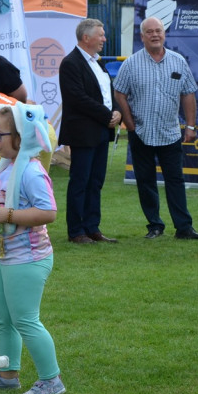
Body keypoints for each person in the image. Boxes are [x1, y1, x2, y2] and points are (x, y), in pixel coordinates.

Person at [0, 104, 65, 394]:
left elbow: (48, 212)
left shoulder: (31, 172)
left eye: (0, 135)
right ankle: (8, 376)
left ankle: (51, 380)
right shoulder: (5, 169)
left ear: (22, 137)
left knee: (25, 320)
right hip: (2, 257)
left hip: (27, 259)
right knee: (3, 319)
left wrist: (10, 216)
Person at [113, 17, 198, 240]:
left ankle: (184, 228)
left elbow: (188, 93)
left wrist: (190, 126)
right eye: (149, 32)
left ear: (164, 34)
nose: (155, 35)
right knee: (145, 181)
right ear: (142, 36)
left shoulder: (178, 61)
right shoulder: (131, 63)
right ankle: (154, 225)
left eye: (158, 31)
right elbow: (119, 93)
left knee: (175, 180)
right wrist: (130, 122)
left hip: (170, 132)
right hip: (141, 133)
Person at [58, 18, 121, 244]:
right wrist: (107, 115)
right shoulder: (71, 63)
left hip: (101, 131)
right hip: (83, 132)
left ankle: (92, 227)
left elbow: (107, 93)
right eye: (101, 35)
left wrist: (117, 111)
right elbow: (78, 98)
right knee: (80, 181)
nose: (104, 39)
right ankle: (76, 231)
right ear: (87, 38)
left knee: (96, 181)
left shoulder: (98, 62)